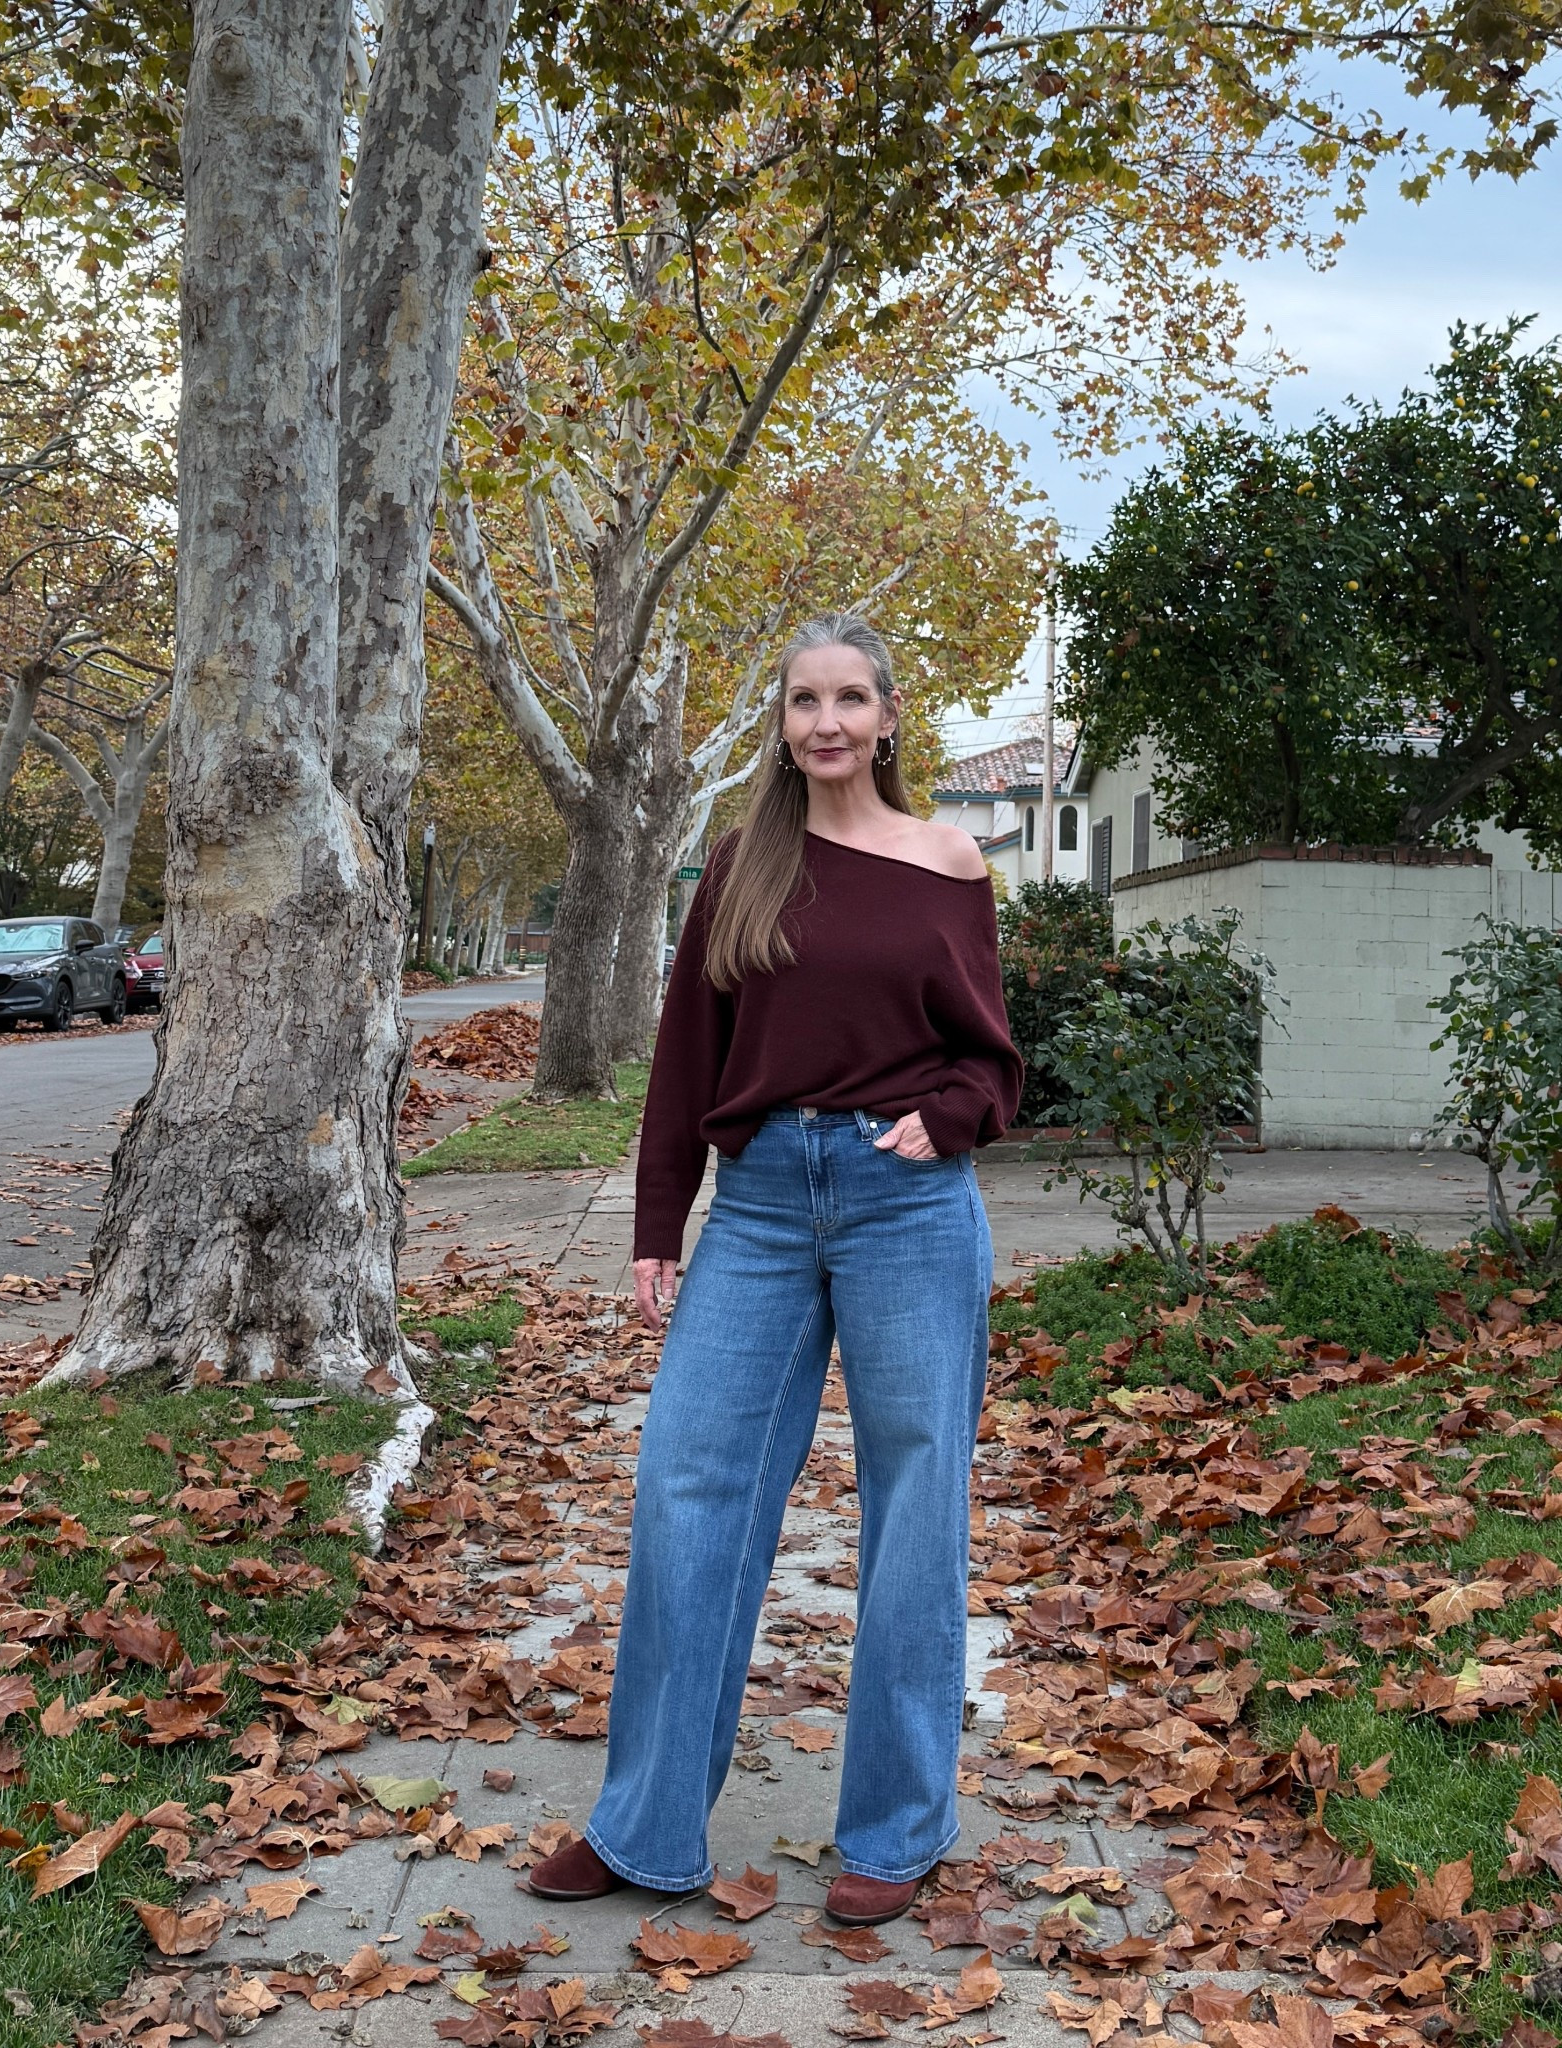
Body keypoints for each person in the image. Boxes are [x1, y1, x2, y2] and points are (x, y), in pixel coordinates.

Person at [524, 614, 1023, 1926]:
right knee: (689, 1484)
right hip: (756, 1206)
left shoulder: (947, 860)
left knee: (915, 1503)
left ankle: (896, 1831)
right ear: (783, 724)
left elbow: (990, 1053)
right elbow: (687, 1052)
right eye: (805, 701)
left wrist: (951, 1118)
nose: (827, 722)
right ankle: (643, 1828)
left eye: (851, 698)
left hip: (906, 1204)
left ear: (889, 717)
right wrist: (657, 1222)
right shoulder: (745, 865)